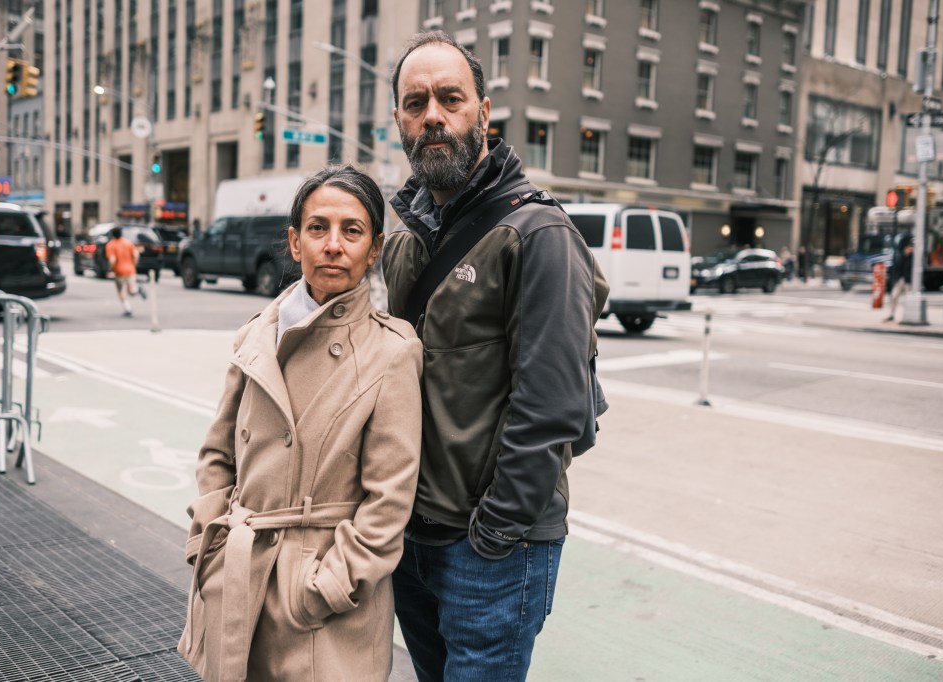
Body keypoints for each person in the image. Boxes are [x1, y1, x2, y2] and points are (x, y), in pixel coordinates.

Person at [382, 31, 608, 681]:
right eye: (415, 102)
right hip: (410, 542)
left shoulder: (539, 235)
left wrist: (494, 536)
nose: (433, 115)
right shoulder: (408, 243)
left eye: (450, 99)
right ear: (399, 121)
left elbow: (552, 407)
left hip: (491, 551)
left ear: (483, 114)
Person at [178, 165, 423, 682]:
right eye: (318, 228)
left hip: (320, 607)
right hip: (239, 578)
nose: (333, 245)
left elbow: (389, 501)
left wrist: (323, 589)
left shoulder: (393, 351)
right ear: (294, 242)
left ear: (374, 249)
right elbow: (218, 453)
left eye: (351, 231)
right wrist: (210, 542)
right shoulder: (256, 334)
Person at [104, 226, 145, 317]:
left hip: (119, 272)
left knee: (120, 291)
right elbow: (136, 254)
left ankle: (128, 309)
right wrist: (134, 265)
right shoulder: (128, 242)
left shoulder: (110, 245)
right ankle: (137, 289)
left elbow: (112, 260)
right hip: (130, 270)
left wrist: (110, 269)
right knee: (131, 291)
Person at [884, 235, 915, 322]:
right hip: (899, 280)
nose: (912, 248)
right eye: (910, 247)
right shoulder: (899, 256)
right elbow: (894, 269)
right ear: (906, 247)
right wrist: (893, 280)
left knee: (908, 298)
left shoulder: (913, 258)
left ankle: (908, 316)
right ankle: (891, 314)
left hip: (907, 281)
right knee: (894, 296)